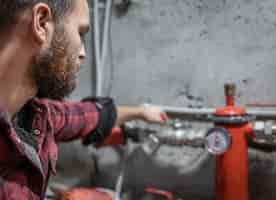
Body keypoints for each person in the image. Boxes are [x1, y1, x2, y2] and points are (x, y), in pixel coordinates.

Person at [0, 0, 168, 199]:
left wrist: (140, 113)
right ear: (42, 23)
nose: (83, 54)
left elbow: (87, 116)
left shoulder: (34, 115)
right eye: (80, 33)